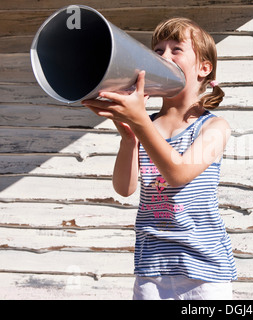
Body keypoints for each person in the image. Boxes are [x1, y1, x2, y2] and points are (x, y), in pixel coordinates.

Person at [82, 17, 237, 300]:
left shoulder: (214, 127)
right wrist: (129, 139)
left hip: (203, 271)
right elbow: (124, 188)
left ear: (204, 68)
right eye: (158, 51)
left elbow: (177, 174)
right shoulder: (145, 125)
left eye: (176, 49)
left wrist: (140, 123)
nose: (165, 56)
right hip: (151, 268)